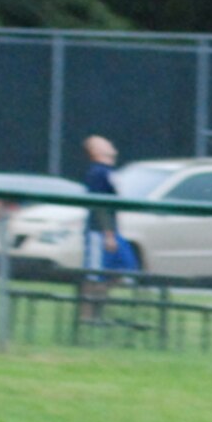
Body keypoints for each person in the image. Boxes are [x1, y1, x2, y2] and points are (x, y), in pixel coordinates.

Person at [78, 134, 140, 323]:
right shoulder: (98, 173)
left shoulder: (109, 172)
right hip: (100, 232)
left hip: (112, 230)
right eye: (102, 143)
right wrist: (108, 234)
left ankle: (98, 307)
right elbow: (100, 207)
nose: (109, 143)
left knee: (126, 269)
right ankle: (87, 316)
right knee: (94, 274)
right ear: (94, 151)